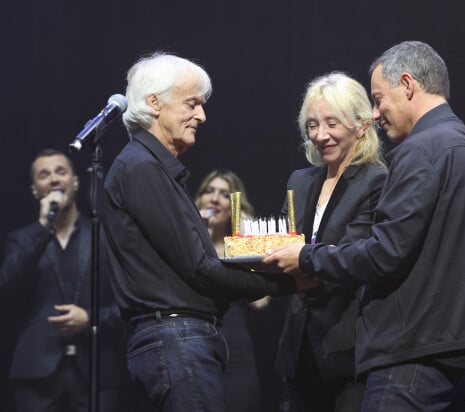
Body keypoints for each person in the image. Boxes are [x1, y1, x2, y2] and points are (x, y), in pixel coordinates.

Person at [264, 40, 465, 411]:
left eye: (378, 99)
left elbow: (384, 253)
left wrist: (307, 258)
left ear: (407, 85)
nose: (376, 113)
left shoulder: (419, 150)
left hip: (415, 354)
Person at [102, 52, 300, 412]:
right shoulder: (141, 168)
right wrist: (289, 280)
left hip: (183, 339)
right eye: (191, 104)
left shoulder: (155, 169)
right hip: (176, 339)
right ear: (153, 103)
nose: (202, 116)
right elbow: (200, 267)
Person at [275, 72, 387, 412]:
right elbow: (280, 246)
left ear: (361, 125)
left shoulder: (377, 181)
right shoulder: (300, 180)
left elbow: (358, 256)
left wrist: (304, 259)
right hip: (299, 350)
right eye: (312, 125)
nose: (320, 136)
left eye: (331, 123)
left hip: (348, 350)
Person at [0, 149, 126, 412]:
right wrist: (43, 227)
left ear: (76, 182)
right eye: (44, 175)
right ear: (35, 190)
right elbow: (7, 286)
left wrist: (90, 319)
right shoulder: (21, 240)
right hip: (35, 375)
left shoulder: (103, 236)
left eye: (61, 171)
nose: (54, 179)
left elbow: (129, 302)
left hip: (96, 371)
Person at [194, 169, 264, 412]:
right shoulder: (185, 240)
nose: (214, 199)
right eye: (209, 191)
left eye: (224, 195)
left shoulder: (240, 247)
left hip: (236, 348)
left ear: (234, 205)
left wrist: (246, 244)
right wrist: (202, 234)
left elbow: (260, 302)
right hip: (194, 344)